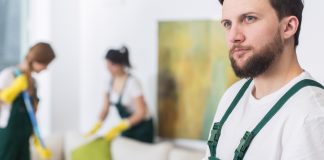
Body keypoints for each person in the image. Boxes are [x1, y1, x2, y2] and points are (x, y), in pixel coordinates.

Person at [204, 0, 324, 159]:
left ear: (288, 27)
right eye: (227, 24)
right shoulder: (231, 97)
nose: (233, 36)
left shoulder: (310, 115)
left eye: (249, 18)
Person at [85, 46, 154, 143]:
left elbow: (141, 112)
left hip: (142, 127)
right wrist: (98, 124)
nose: (109, 69)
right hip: (127, 126)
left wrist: (122, 125)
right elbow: (105, 108)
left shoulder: (132, 82)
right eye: (107, 65)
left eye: (112, 65)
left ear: (121, 64)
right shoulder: (108, 82)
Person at [0, 42, 55, 160]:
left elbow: (33, 112)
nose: (46, 68)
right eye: (45, 64)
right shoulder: (9, 75)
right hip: (9, 134)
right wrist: (13, 90)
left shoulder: (34, 83)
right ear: (36, 60)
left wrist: (37, 137)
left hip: (25, 136)